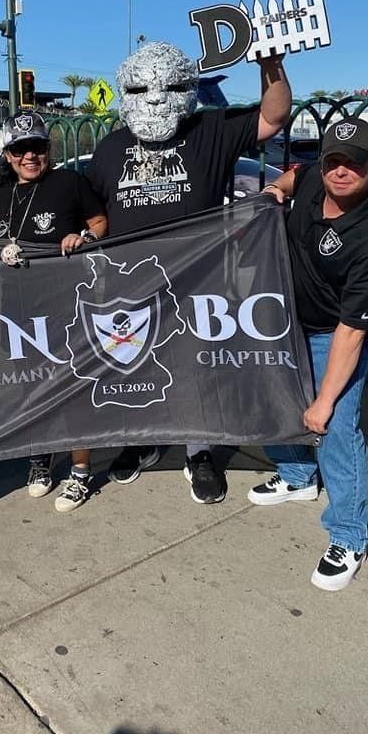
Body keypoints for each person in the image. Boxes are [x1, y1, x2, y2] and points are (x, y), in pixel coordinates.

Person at [87, 40, 292, 503]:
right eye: (141, 88)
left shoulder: (209, 130)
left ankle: (199, 451)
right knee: (133, 366)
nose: (156, 99)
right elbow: (92, 212)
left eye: (169, 87)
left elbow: (273, 117)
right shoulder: (110, 148)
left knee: (199, 370)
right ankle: (141, 441)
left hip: (199, 282)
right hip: (131, 286)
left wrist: (272, 67)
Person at [248, 117, 368, 590]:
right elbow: (295, 176)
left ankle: (350, 534)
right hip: (284, 318)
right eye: (334, 160)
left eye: (354, 163)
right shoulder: (317, 176)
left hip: (333, 334)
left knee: (335, 425)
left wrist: (324, 400)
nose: (340, 171)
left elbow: (351, 333)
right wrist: (275, 188)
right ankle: (296, 475)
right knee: (271, 396)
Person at [0, 111, 107, 512]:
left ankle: (80, 470)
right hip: (16, 310)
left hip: (64, 306)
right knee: (30, 387)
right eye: (20, 149)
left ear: (48, 149)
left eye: (37, 147)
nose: (30, 156)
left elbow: (99, 221)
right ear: (8, 155)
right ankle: (41, 457)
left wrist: (85, 235)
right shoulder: (4, 192)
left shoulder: (69, 182)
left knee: (72, 388)